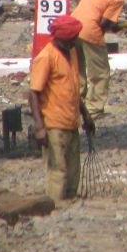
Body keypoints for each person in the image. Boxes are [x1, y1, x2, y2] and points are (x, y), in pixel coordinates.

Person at [28, 15, 95, 201]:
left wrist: (85, 115)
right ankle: (55, 203)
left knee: (73, 168)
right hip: (54, 124)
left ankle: (70, 199)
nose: (76, 41)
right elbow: (33, 93)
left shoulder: (71, 53)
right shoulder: (46, 58)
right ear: (64, 38)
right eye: (73, 38)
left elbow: (72, 88)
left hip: (71, 121)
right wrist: (39, 127)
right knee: (58, 169)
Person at [71, 0, 127, 117]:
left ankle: (75, 105)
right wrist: (114, 26)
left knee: (77, 70)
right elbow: (104, 23)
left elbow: (82, 1)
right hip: (90, 31)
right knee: (100, 73)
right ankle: (93, 109)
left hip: (73, 27)